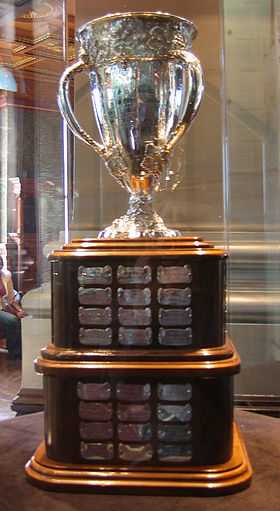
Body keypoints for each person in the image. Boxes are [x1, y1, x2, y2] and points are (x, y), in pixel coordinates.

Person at [0, 256, 24, 359]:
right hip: (2, 308)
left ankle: (16, 350)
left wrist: (20, 310)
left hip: (4, 307)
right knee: (12, 320)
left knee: (21, 319)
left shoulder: (6, 276)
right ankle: (15, 353)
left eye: (0, 263)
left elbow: (11, 299)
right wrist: (13, 312)